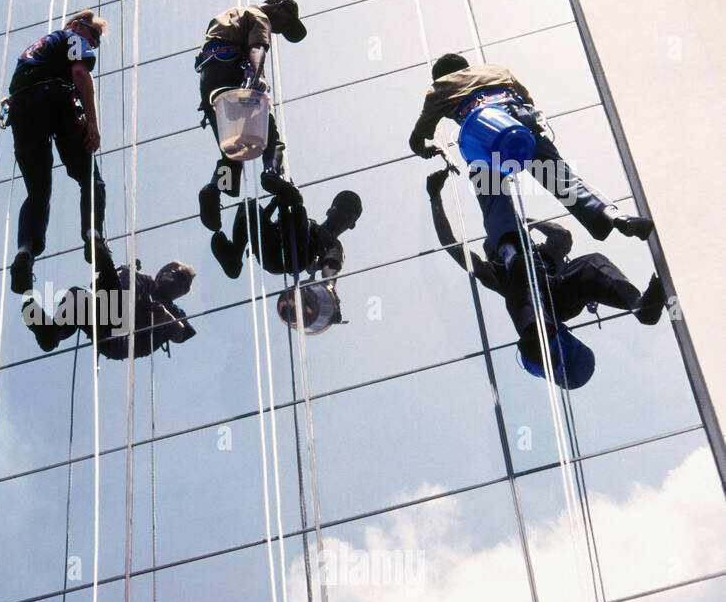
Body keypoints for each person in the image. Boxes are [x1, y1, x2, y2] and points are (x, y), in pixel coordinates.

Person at [409, 53, 654, 282]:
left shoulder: (440, 87)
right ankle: (615, 216)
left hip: (483, 130)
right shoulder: (496, 69)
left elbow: (417, 138)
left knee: (492, 194)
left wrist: (427, 149)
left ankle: (511, 252)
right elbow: (528, 99)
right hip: (518, 119)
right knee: (563, 180)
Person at [427, 169, 665, 386]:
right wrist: (435, 198)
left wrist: (529, 224)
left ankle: (641, 307)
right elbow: (451, 244)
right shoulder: (495, 274)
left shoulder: (542, 254)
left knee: (591, 265)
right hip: (546, 310)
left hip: (561, 295)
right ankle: (539, 340)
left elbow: (562, 237)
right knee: (522, 282)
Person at [6, 9, 114, 294]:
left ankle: (24, 254)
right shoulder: (72, 37)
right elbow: (79, 72)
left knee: (38, 191)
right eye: (94, 36)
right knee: (90, 177)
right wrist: (92, 122)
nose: (94, 43)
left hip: (21, 110)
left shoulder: (34, 50)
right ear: (77, 26)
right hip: (54, 99)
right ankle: (94, 237)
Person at [196, 0, 307, 233]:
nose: (281, 30)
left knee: (232, 149)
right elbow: (256, 47)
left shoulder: (225, 16)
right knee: (271, 138)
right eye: (286, 22)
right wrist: (257, 79)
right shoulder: (259, 16)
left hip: (211, 83)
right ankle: (271, 174)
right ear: (277, 5)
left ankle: (214, 188)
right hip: (234, 75)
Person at [21, 259, 197, 360]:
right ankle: (52, 334)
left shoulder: (176, 311)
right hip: (109, 327)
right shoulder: (141, 283)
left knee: (132, 288)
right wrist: (127, 275)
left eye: (185, 284)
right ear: (161, 273)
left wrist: (166, 316)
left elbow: (181, 335)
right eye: (177, 274)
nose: (180, 282)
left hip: (127, 340)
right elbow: (96, 287)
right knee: (77, 294)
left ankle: (53, 333)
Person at [211, 188, 362, 282]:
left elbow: (329, 273)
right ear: (330, 210)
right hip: (273, 246)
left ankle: (288, 195)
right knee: (249, 205)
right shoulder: (309, 224)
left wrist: (330, 298)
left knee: (298, 211)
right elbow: (264, 222)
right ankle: (234, 258)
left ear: (351, 225)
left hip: (293, 258)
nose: (342, 213)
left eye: (349, 212)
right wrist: (274, 204)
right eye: (340, 207)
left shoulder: (334, 245)